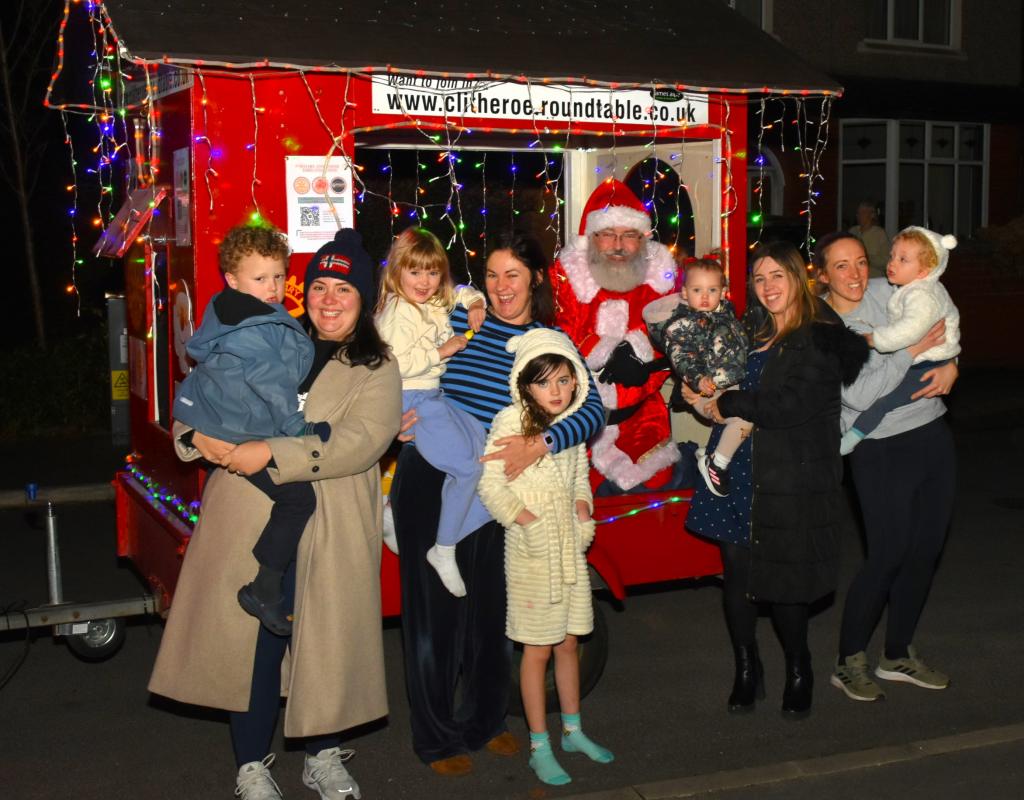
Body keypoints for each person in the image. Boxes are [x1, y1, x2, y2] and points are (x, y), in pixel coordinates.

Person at [149, 228, 401, 800]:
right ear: (301, 292)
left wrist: (270, 451)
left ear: (364, 299)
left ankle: (322, 757)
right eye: (319, 287)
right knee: (251, 645)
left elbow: (360, 441)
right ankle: (250, 766)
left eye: (344, 289)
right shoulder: (266, 334)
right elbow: (201, 395)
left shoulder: (377, 367)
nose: (329, 299)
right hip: (247, 515)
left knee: (324, 643)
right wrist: (197, 438)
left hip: (331, 522)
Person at [390, 231, 604, 776]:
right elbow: (393, 361)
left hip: (500, 489)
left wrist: (540, 442)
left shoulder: (550, 341)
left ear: (535, 277)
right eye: (490, 274)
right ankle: (437, 737)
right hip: (433, 474)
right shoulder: (462, 321)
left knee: (490, 614)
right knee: (433, 614)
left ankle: (485, 721)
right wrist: (389, 421)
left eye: (512, 274)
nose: (500, 286)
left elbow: (591, 410)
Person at [685, 241, 869, 719]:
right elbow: (715, 373)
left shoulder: (821, 336)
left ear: (797, 278)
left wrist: (730, 404)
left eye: (777, 277)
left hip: (789, 475)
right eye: (759, 278)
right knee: (737, 578)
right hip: (735, 471)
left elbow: (789, 407)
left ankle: (798, 667)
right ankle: (747, 668)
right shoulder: (750, 328)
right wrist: (696, 389)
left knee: (787, 583)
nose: (767, 287)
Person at [813, 231, 959, 704]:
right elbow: (857, 395)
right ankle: (848, 659)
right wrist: (911, 354)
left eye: (859, 262)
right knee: (888, 554)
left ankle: (897, 654)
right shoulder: (825, 325)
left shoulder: (890, 288)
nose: (855, 274)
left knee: (925, 550)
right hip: (878, 448)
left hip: (932, 433)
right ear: (823, 275)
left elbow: (940, 316)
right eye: (841, 266)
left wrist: (954, 362)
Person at [172, 224, 331, 636]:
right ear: (232, 279)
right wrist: (304, 431)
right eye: (260, 279)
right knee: (298, 501)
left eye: (279, 276)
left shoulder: (227, 310)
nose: (273, 287)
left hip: (224, 422)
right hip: (238, 433)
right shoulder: (256, 326)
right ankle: (265, 586)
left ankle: (265, 587)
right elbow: (276, 390)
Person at [477, 328, 614, 786]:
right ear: (524, 385)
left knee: (570, 643)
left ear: (576, 381)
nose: (555, 392)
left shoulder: (570, 427)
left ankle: (573, 730)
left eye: (563, 380)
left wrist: (583, 508)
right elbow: (491, 486)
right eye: (544, 383)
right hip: (532, 557)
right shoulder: (510, 423)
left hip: (569, 554)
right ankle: (540, 745)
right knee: (535, 652)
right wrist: (528, 521)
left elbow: (579, 477)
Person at [375, 228, 491, 597]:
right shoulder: (397, 310)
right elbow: (392, 365)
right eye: (415, 272)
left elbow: (458, 292)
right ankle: (443, 548)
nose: (424, 281)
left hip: (433, 396)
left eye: (432, 272)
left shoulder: (430, 302)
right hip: (413, 399)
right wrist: (441, 352)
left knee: (487, 458)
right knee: (468, 468)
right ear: (397, 273)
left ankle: (399, 513)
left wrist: (475, 303)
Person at [550, 179, 680, 494]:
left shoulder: (660, 281)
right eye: (608, 234)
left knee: (652, 500)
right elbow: (560, 336)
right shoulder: (568, 280)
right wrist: (602, 350)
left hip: (645, 419)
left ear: (643, 240)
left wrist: (643, 356)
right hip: (578, 420)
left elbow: (678, 337)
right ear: (592, 239)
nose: (618, 245)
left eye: (629, 235)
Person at [840, 226, 961, 454]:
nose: (892, 263)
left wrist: (873, 339)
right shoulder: (908, 288)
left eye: (903, 259)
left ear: (924, 271)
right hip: (928, 362)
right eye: (892, 256)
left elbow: (910, 331)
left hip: (927, 367)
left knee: (885, 401)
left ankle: (854, 436)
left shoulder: (921, 295)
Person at [643, 255, 749, 496]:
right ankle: (717, 465)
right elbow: (681, 356)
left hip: (727, 383)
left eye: (711, 290)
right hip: (704, 389)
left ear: (723, 292)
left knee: (744, 419)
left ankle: (711, 456)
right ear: (684, 293)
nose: (704, 296)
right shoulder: (682, 325)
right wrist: (698, 379)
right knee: (742, 419)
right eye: (697, 290)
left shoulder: (727, 317)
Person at [849, 200, 890, 279]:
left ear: (872, 215)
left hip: (873, 280)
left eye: (863, 212)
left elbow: (886, 261)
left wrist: (865, 257)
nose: (859, 215)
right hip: (855, 278)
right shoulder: (853, 231)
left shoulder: (879, 234)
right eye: (858, 213)